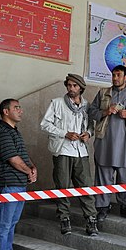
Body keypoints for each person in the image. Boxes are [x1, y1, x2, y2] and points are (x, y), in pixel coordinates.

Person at [40, 74, 98, 236]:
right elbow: (44, 124)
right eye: (69, 85)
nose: (71, 89)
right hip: (63, 150)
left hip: (81, 151)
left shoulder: (87, 105)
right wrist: (64, 133)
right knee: (63, 186)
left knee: (85, 186)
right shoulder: (57, 103)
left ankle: (91, 219)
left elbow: (91, 126)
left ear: (81, 88)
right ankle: (64, 218)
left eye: (74, 86)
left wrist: (88, 134)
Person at [89, 65, 126, 222]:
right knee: (103, 174)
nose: (115, 78)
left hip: (125, 141)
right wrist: (105, 112)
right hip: (105, 140)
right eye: (113, 75)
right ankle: (102, 207)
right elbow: (91, 111)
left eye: (118, 75)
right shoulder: (103, 93)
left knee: (125, 175)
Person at [0, 99, 36, 250]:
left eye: (20, 107)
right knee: (4, 223)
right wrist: (28, 171)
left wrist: (32, 168)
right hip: (8, 184)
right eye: (16, 108)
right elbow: (13, 159)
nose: (20, 111)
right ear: (5, 111)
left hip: (19, 183)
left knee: (11, 223)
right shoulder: (2, 132)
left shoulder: (14, 131)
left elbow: (22, 154)